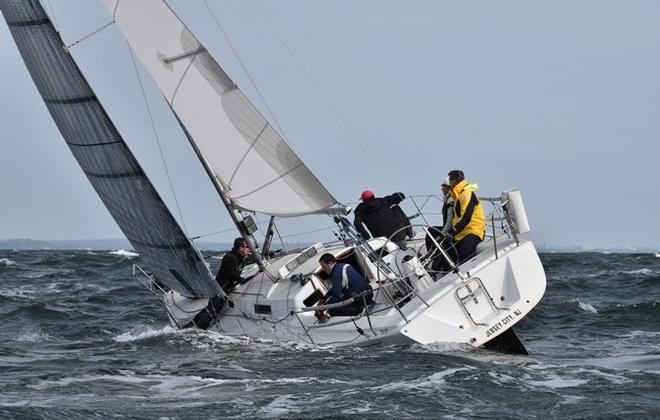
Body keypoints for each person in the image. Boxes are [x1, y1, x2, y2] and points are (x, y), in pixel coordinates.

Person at [437, 170, 486, 270]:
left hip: (473, 231)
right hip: (462, 233)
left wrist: (452, 232)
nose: (449, 184)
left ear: (454, 181)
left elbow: (466, 217)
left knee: (464, 255)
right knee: (446, 252)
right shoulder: (458, 195)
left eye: (450, 181)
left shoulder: (466, 194)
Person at [425, 178, 454, 265]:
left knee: (435, 236)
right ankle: (431, 253)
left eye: (443, 186)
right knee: (431, 231)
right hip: (448, 228)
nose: (441, 189)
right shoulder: (447, 198)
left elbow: (449, 220)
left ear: (448, 187)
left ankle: (434, 260)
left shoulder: (450, 200)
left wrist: (442, 234)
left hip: (451, 229)